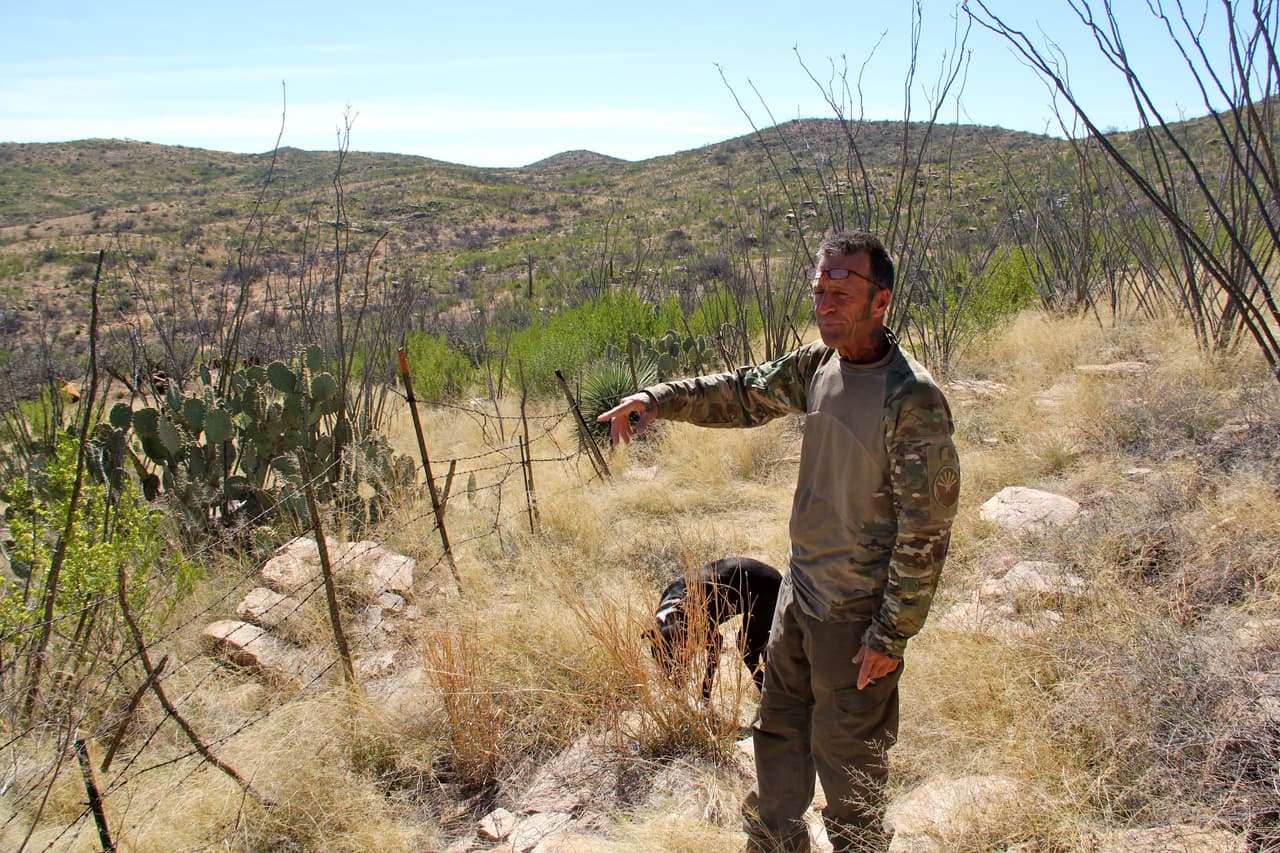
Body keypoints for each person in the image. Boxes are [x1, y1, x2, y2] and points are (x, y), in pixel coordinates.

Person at [596, 231, 959, 852]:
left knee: (852, 774)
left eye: (841, 292)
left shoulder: (912, 398)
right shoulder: (819, 367)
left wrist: (890, 635)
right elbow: (741, 392)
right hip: (797, 599)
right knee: (777, 740)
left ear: (881, 301)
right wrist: (658, 400)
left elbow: (925, 532)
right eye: (819, 290)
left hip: (854, 619)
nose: (825, 304)